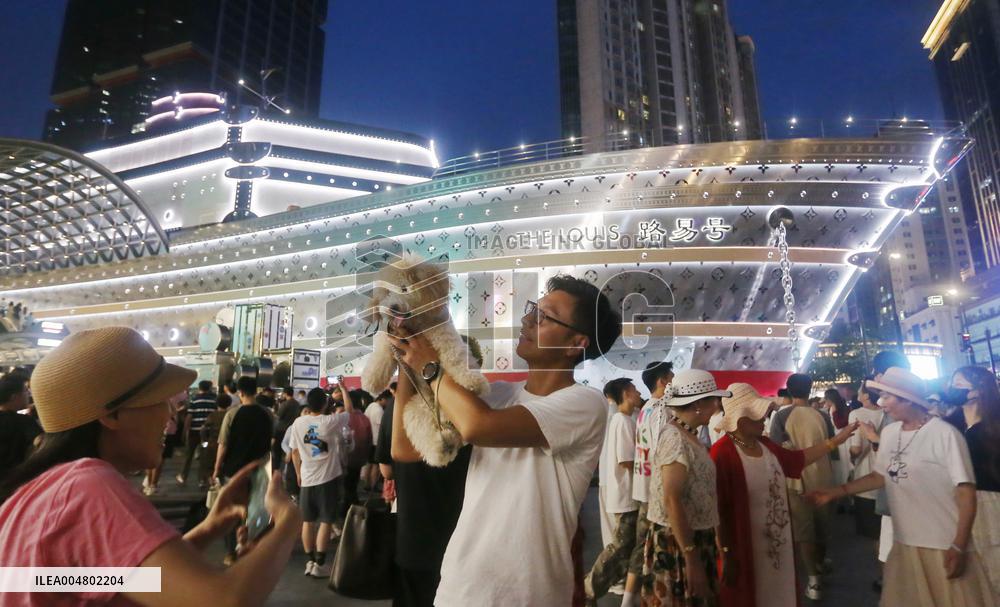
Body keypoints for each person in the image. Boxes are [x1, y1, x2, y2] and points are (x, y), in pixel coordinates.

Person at [0, 326, 301, 606]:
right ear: (113, 415)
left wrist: (208, 528)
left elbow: (107, 581)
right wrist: (288, 522)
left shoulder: (37, 495)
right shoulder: (88, 488)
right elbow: (223, 600)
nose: (171, 414)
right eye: (161, 399)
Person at [388, 274, 621, 606]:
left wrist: (428, 365)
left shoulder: (585, 403)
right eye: (532, 310)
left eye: (544, 316)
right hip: (459, 587)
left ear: (576, 344)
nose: (527, 319)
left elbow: (477, 426)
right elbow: (406, 449)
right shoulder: (497, 394)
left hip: (526, 594)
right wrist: (406, 362)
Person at [809, 367, 992, 607]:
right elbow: (879, 476)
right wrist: (836, 492)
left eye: (888, 397)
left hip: (942, 543)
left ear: (908, 400)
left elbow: (966, 491)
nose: (882, 403)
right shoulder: (890, 433)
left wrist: (959, 543)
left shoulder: (944, 434)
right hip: (905, 541)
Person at [711, 383, 857, 607]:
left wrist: (835, 441)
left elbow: (797, 460)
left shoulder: (765, 444)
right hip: (745, 546)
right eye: (759, 415)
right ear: (741, 419)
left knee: (778, 591)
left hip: (777, 543)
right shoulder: (723, 453)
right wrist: (725, 552)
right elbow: (718, 509)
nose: (764, 418)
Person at [373, 346, 482, 607]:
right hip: (465, 539)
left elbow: (386, 468)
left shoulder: (394, 411)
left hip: (413, 534)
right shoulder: (475, 413)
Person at [640, 369, 729, 607]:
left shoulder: (687, 435)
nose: (717, 405)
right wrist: (691, 557)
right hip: (678, 542)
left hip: (690, 537)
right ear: (699, 404)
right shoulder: (675, 438)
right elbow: (672, 499)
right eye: (713, 399)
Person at [768, 373, 835, 600]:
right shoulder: (823, 415)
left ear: (789, 389)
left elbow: (775, 450)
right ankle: (820, 563)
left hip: (795, 480)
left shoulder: (781, 416)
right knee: (822, 525)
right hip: (824, 476)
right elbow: (833, 447)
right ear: (810, 388)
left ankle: (814, 581)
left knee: (804, 529)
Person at [943, 366, 1000, 601]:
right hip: (958, 503)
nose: (953, 388)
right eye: (952, 382)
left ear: (979, 389)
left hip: (991, 503)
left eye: (960, 383)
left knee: (994, 565)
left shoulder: (994, 425)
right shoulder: (950, 426)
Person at [586, 378, 642, 605]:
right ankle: (589, 588)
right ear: (626, 393)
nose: (639, 394)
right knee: (619, 546)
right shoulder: (623, 421)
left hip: (622, 493)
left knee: (623, 545)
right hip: (626, 494)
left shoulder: (621, 420)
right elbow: (627, 461)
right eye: (635, 390)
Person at [288, 387, 353, 578]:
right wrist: (343, 389)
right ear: (325, 404)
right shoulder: (329, 421)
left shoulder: (298, 422)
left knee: (308, 521)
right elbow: (349, 410)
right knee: (326, 520)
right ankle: (320, 563)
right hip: (328, 479)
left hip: (307, 479)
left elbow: (294, 452)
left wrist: (299, 474)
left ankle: (309, 562)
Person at [629, 361, 674, 602]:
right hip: (655, 488)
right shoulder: (661, 411)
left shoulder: (646, 409)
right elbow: (662, 452)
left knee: (642, 547)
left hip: (644, 485)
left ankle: (629, 599)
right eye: (672, 378)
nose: (674, 384)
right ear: (662, 382)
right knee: (658, 549)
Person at [848, 381, 884, 550]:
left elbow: (856, 448)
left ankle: (883, 572)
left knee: (874, 534)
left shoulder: (856, 414)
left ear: (867, 395)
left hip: (866, 477)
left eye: (860, 390)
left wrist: (850, 458)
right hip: (886, 476)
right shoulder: (887, 413)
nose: (857, 393)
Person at [0, 371, 41, 482]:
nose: (29, 393)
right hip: (14, 484)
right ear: (14, 397)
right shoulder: (23, 422)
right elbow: (41, 442)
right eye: (25, 390)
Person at [178, 380, 217, 488]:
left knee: (189, 454)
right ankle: (201, 480)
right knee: (204, 455)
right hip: (206, 435)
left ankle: (183, 476)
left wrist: (185, 431)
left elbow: (189, 417)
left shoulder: (194, 400)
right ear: (209, 388)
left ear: (199, 388)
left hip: (194, 433)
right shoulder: (214, 400)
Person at [341, 389, 373, 517]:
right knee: (353, 484)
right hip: (360, 458)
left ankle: (350, 510)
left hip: (346, 458)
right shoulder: (365, 418)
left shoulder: (345, 418)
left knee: (347, 486)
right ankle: (351, 508)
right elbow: (369, 439)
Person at [823, 388, 852, 487]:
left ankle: (841, 486)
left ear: (829, 399)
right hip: (846, 436)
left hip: (839, 437)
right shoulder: (844, 406)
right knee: (846, 463)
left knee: (841, 464)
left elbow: (838, 424)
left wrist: (834, 413)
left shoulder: (833, 408)